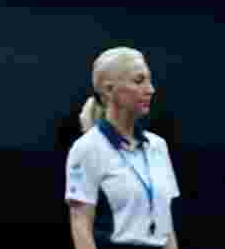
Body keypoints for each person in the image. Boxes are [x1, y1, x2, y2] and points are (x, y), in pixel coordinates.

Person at [65, 47, 181, 249]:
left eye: (149, 80)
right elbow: (80, 225)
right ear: (109, 90)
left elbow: (166, 226)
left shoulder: (158, 146)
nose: (150, 89)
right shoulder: (86, 149)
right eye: (139, 81)